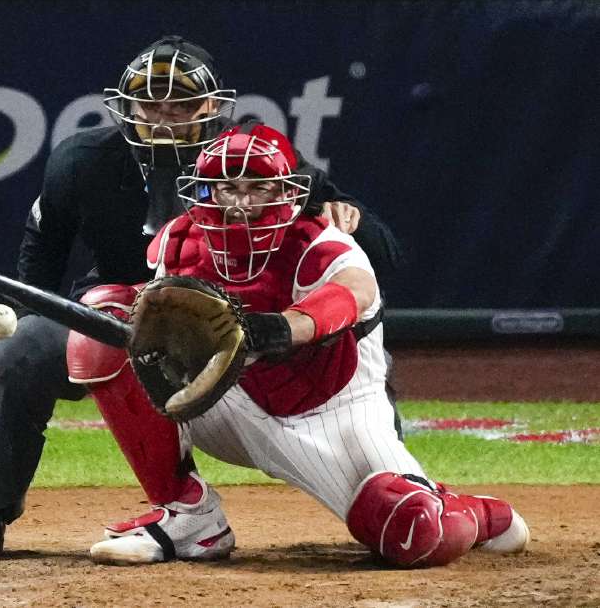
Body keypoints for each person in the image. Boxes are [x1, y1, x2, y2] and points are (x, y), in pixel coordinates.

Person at [0, 36, 403, 560]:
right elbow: (40, 253)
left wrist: (344, 216)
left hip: (240, 325)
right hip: (117, 316)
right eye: (150, 104)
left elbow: (378, 263)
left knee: (350, 349)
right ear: (125, 108)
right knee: (20, 349)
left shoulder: (249, 158)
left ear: (213, 108)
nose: (163, 119)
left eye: (181, 104)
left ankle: (393, 481)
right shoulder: (83, 161)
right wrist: (29, 321)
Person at [68, 123, 528, 568]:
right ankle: (188, 516)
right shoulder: (180, 241)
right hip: (229, 397)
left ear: (287, 192)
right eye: (227, 188)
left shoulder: (322, 244)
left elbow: (353, 293)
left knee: (412, 531)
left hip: (331, 412)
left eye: (258, 188)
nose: (240, 203)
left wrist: (284, 328)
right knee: (103, 322)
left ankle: (477, 513)